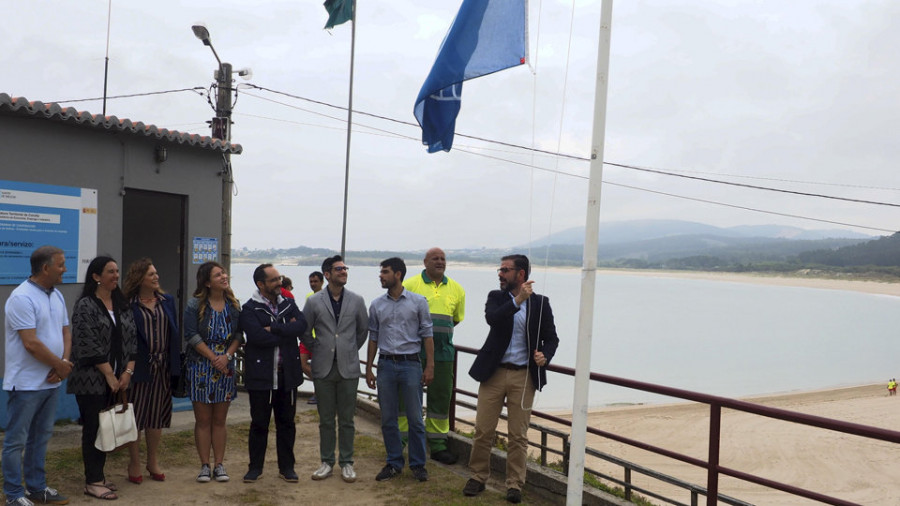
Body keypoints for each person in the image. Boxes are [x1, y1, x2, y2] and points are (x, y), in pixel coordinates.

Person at [462, 254, 559, 504]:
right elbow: (492, 319)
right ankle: (477, 477)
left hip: (524, 376)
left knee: (518, 435)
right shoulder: (496, 297)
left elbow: (552, 338)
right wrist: (518, 300)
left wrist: (544, 355)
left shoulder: (541, 303)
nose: (500, 274)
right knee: (484, 430)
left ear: (521, 274)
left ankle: (515, 484)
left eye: (506, 270)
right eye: (500, 269)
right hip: (493, 373)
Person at [3, 246, 73, 506]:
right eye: (61, 264)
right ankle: (13, 494)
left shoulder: (56, 296)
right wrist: (61, 366)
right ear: (46, 268)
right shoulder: (21, 298)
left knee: (40, 437)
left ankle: (36, 488)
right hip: (26, 384)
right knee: (16, 441)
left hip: (51, 381)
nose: (65, 269)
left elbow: (66, 332)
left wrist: (63, 363)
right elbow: (30, 343)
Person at [68, 256, 138, 501]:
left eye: (117, 271)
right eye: (110, 271)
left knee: (106, 427)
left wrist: (127, 371)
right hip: (91, 379)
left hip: (119, 378)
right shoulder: (86, 305)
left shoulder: (122, 304)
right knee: (94, 428)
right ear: (96, 277)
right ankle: (93, 481)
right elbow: (86, 343)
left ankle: (99, 474)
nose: (116, 275)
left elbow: (133, 340)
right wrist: (109, 374)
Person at [365, 257, 434, 483]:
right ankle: (394, 463)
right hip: (385, 365)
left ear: (398, 274)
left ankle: (418, 465)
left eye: (385, 272)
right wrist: (369, 368)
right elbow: (373, 337)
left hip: (411, 364)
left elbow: (427, 335)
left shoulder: (418, 302)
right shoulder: (376, 305)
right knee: (388, 418)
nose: (381, 276)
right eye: (381, 272)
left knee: (415, 418)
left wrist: (430, 366)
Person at [301, 256, 368, 483]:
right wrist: (318, 348)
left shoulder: (357, 300)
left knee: (347, 419)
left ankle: (347, 462)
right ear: (327, 274)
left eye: (345, 268)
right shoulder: (314, 302)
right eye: (339, 269)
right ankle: (327, 462)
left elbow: (362, 331)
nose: (344, 272)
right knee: (326, 419)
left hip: (348, 367)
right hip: (323, 367)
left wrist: (348, 349)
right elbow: (304, 329)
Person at [239, 264, 307, 484]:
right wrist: (287, 332)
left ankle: (287, 467)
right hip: (262, 376)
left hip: (288, 376)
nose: (279, 282)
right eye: (274, 280)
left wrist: (275, 329)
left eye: (279, 278)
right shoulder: (250, 309)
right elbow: (257, 337)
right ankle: (254, 468)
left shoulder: (289, 303)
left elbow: (303, 326)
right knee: (259, 423)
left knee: (287, 423)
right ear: (261, 284)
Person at [400, 247, 465, 464]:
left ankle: (438, 446)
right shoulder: (409, 285)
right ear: (425, 262)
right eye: (435, 258)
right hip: (413, 353)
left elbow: (455, 319)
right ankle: (399, 444)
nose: (440, 262)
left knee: (440, 399)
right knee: (406, 399)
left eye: (443, 259)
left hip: (444, 354)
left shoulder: (457, 289)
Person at [122, 258, 181, 484]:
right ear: (139, 279)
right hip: (138, 366)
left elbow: (173, 333)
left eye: (156, 274)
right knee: (136, 417)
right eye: (151, 275)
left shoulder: (167, 301)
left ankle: (152, 461)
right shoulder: (128, 303)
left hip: (163, 366)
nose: (156, 277)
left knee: (157, 416)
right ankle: (134, 462)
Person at [184, 261, 242, 483]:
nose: (224, 277)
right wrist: (212, 357)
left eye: (224, 273)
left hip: (225, 367)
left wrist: (226, 357)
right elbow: (190, 334)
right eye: (218, 275)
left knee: (220, 420)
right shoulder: (195, 305)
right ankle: (204, 466)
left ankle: (219, 464)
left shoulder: (234, 305)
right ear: (207, 282)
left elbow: (238, 335)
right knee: (203, 420)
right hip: (201, 367)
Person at [302, 271, 325, 405]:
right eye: (311, 281)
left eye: (316, 281)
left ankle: (318, 394)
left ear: (322, 282)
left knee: (318, 368)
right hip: (307, 337)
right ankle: (322, 388)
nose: (313, 284)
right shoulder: (309, 297)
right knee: (302, 365)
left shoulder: (325, 297)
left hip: (320, 340)